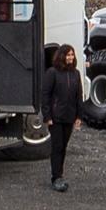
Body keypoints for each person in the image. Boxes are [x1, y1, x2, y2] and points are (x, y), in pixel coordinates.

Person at [41, 44, 84, 192]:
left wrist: (79, 115)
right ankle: (56, 176)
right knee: (57, 146)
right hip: (56, 116)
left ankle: (60, 174)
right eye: (68, 55)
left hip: (69, 116)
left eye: (72, 55)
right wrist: (47, 116)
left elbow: (79, 96)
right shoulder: (52, 73)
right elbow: (45, 95)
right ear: (61, 56)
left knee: (63, 147)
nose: (70, 57)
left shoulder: (76, 74)